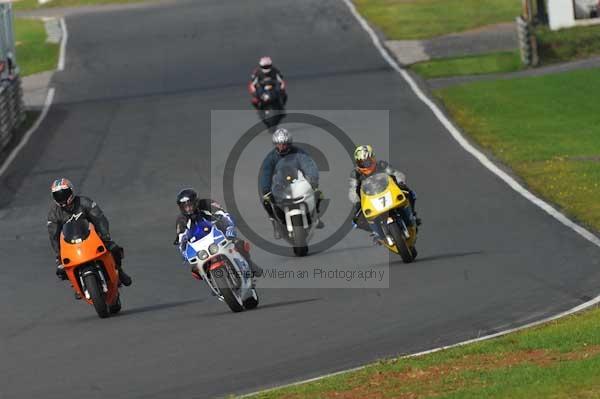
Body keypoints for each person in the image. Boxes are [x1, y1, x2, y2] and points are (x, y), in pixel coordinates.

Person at [47, 178, 132, 288]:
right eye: (57, 195)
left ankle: (119, 272)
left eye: (64, 194)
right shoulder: (54, 213)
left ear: (71, 191)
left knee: (114, 248)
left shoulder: (84, 202)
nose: (62, 198)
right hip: (70, 244)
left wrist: (105, 236)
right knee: (61, 270)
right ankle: (76, 286)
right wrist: (59, 255)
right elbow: (53, 234)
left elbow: (99, 218)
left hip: (92, 237)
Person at [173, 188, 262, 279]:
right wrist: (184, 252)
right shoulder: (181, 220)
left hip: (217, 231)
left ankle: (250, 264)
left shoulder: (207, 204)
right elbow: (181, 238)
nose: (188, 209)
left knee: (238, 243)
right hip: (199, 243)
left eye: (190, 205)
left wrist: (229, 227)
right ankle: (212, 282)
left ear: (196, 202)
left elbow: (223, 214)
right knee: (196, 269)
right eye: (185, 207)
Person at [259, 128, 322, 239]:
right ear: (275, 144)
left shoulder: (298, 152)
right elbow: (266, 172)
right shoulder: (271, 157)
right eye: (279, 144)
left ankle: (315, 215)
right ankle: (276, 224)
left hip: (298, 182)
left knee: (318, 193)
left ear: (289, 143)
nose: (282, 147)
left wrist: (313, 179)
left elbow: (308, 164)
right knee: (266, 201)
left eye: (284, 144)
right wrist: (266, 188)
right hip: (280, 185)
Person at [348, 145, 421, 240]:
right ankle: (375, 231)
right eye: (362, 163)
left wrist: (400, 181)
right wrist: (355, 198)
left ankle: (413, 215)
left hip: (388, 191)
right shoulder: (355, 174)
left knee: (409, 192)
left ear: (373, 158)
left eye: (367, 161)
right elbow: (352, 189)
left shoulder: (382, 165)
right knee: (356, 219)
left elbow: (396, 173)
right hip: (370, 197)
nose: (366, 165)